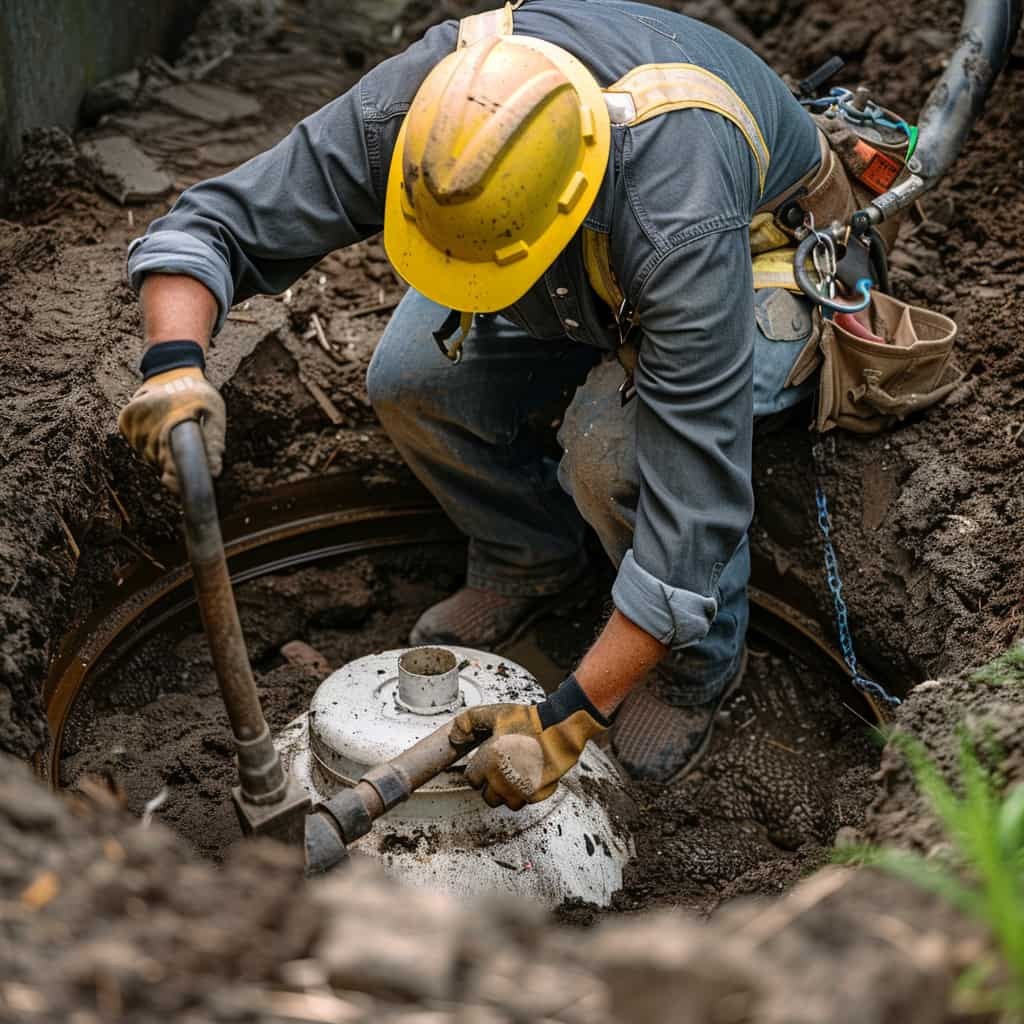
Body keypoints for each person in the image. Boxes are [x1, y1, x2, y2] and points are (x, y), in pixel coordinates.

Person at [118, 0, 842, 807]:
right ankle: (526, 554)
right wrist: (175, 367)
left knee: (610, 458)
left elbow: (692, 520)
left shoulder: (678, 209)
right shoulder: (425, 110)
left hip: (760, 257)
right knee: (410, 383)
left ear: (558, 213)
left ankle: (694, 670)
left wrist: (565, 720)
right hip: (583, 257)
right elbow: (214, 224)